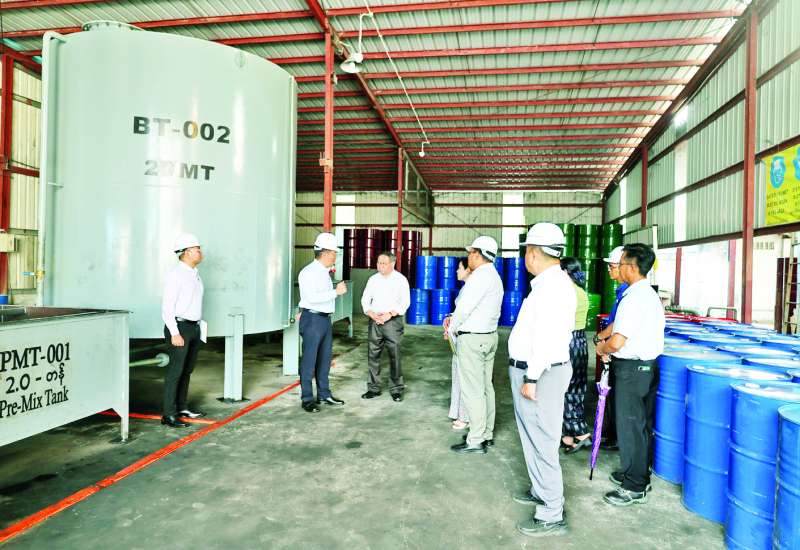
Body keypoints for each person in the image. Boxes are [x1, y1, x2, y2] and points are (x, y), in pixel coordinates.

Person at [508, 223, 576, 537]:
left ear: (533, 253)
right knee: (532, 436)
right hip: (535, 371)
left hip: (541, 374)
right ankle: (541, 490)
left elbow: (549, 339)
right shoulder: (548, 284)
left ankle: (551, 512)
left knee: (543, 441)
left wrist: (531, 377)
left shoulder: (553, 288)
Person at [595, 243, 665, 506]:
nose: (618, 268)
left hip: (632, 370)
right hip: (647, 366)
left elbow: (616, 342)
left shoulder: (634, 298)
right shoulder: (646, 294)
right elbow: (619, 327)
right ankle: (636, 473)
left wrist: (602, 348)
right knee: (640, 425)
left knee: (630, 427)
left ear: (632, 268)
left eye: (621, 263)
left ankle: (634, 486)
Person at [443, 236, 503, 454]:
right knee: (486, 388)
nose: (468, 256)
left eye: (471, 252)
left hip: (473, 339)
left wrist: (451, 329)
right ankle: (486, 433)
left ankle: (475, 439)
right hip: (489, 337)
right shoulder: (494, 276)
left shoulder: (479, 277)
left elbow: (464, 309)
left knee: (473, 391)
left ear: (478, 254)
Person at [297, 232, 348, 413]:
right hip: (313, 320)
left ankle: (324, 394)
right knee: (309, 360)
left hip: (324, 320)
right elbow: (311, 297)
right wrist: (336, 292)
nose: (335, 257)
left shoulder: (324, 272)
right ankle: (307, 399)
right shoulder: (308, 272)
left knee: (324, 360)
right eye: (334, 253)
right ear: (325, 253)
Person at [161, 233, 206, 428]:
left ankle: (181, 407)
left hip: (193, 327)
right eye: (197, 249)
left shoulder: (194, 274)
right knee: (176, 372)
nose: (200, 252)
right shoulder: (176, 275)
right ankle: (168, 414)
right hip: (179, 328)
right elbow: (167, 307)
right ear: (187, 252)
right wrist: (174, 332)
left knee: (187, 370)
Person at [360, 251, 411, 402]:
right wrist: (371, 313)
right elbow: (365, 299)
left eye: (384, 263)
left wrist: (390, 314)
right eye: (378, 263)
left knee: (394, 355)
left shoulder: (400, 280)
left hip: (392, 321)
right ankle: (373, 388)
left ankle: (396, 389)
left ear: (392, 264)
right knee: (373, 354)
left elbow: (405, 302)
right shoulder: (373, 279)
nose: (380, 266)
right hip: (375, 321)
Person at [594, 245, 627, 451]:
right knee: (613, 395)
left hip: (621, 352)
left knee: (619, 399)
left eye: (612, 266)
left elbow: (619, 327)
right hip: (614, 349)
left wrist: (604, 346)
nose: (609, 270)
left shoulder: (629, 294)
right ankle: (612, 434)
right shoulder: (621, 291)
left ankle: (617, 437)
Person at [559, 257, 591, 454]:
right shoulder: (580, 290)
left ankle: (580, 433)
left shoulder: (567, 291)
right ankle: (569, 437)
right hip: (579, 342)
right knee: (576, 387)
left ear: (565, 272)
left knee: (567, 389)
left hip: (569, 342)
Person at [447, 257, 471, 430]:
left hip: (467, 337)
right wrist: (450, 318)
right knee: (458, 374)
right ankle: (459, 412)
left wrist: (454, 326)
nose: (456, 271)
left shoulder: (472, 289)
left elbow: (467, 315)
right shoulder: (465, 288)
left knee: (465, 377)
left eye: (460, 268)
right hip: (458, 335)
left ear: (468, 270)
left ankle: (465, 416)